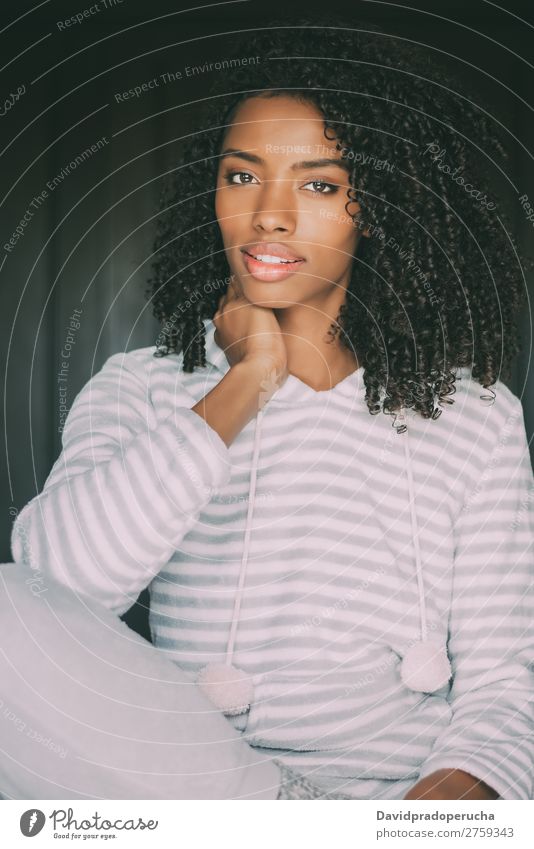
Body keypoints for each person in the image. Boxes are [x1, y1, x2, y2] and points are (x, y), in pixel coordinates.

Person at [5, 16, 534, 800]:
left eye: (319, 184)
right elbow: (54, 588)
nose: (270, 215)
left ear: (376, 206)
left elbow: (505, 698)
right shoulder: (141, 387)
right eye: (242, 175)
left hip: (395, 809)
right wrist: (246, 380)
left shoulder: (478, 418)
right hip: (208, 787)